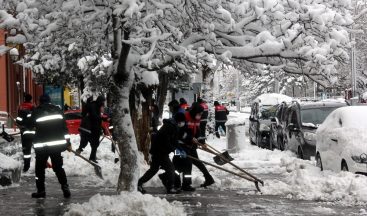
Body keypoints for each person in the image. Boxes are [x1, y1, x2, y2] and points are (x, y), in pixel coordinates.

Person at [30, 94, 71, 198]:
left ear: (40, 101)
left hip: (42, 146)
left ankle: (41, 191)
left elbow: (30, 125)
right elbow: (64, 128)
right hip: (56, 146)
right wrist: (68, 142)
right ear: (49, 101)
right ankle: (65, 187)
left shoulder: (37, 111)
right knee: (58, 167)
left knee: (39, 170)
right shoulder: (57, 110)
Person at [137, 113, 186, 194]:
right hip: (160, 151)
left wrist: (181, 150)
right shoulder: (169, 127)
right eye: (182, 121)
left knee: (153, 170)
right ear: (178, 121)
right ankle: (170, 187)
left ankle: (139, 183)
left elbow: (175, 142)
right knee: (171, 169)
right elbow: (166, 142)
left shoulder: (174, 127)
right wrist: (176, 151)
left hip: (160, 151)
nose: (183, 123)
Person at [185, 102, 215, 187]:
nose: (200, 115)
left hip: (192, 144)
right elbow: (182, 132)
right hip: (184, 144)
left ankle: (207, 178)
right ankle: (186, 183)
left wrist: (202, 143)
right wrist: (190, 138)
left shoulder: (197, 118)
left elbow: (198, 131)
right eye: (199, 113)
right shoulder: (186, 117)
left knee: (196, 162)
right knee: (188, 163)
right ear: (194, 112)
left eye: (201, 114)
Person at [76, 95, 105, 163]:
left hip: (93, 129)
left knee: (94, 144)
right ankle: (78, 152)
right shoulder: (94, 106)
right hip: (89, 128)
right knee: (85, 142)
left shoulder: (96, 106)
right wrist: (102, 118)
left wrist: (100, 128)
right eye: (103, 101)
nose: (103, 103)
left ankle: (92, 157)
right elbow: (94, 116)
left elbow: (96, 118)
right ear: (100, 101)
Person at [172, 113, 195, 191]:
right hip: (177, 150)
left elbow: (190, 138)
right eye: (178, 122)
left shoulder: (187, 128)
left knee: (188, 168)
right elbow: (173, 141)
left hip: (186, 150)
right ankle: (176, 184)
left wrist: (188, 138)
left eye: (181, 122)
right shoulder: (174, 129)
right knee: (176, 167)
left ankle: (186, 184)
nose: (180, 123)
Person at [16, 93, 35, 172]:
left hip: (24, 131)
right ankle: (43, 164)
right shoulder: (32, 106)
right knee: (38, 147)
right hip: (32, 130)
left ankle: (26, 167)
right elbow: (34, 117)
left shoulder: (21, 106)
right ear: (30, 99)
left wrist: (20, 124)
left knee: (26, 150)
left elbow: (19, 119)